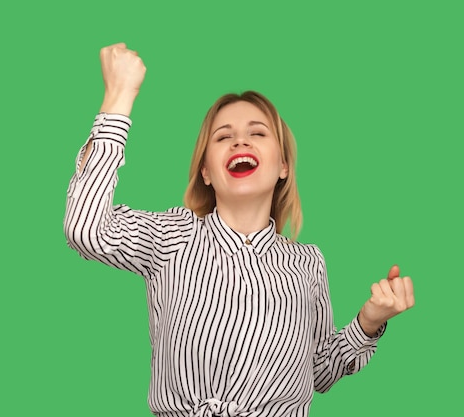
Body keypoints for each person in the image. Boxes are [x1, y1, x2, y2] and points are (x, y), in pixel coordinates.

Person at [63, 43, 415, 417]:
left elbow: (318, 373)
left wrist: (369, 321)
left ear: (283, 165)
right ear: (206, 171)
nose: (240, 141)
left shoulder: (307, 263)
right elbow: (86, 227)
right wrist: (119, 98)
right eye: (222, 136)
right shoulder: (171, 237)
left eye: (258, 133)